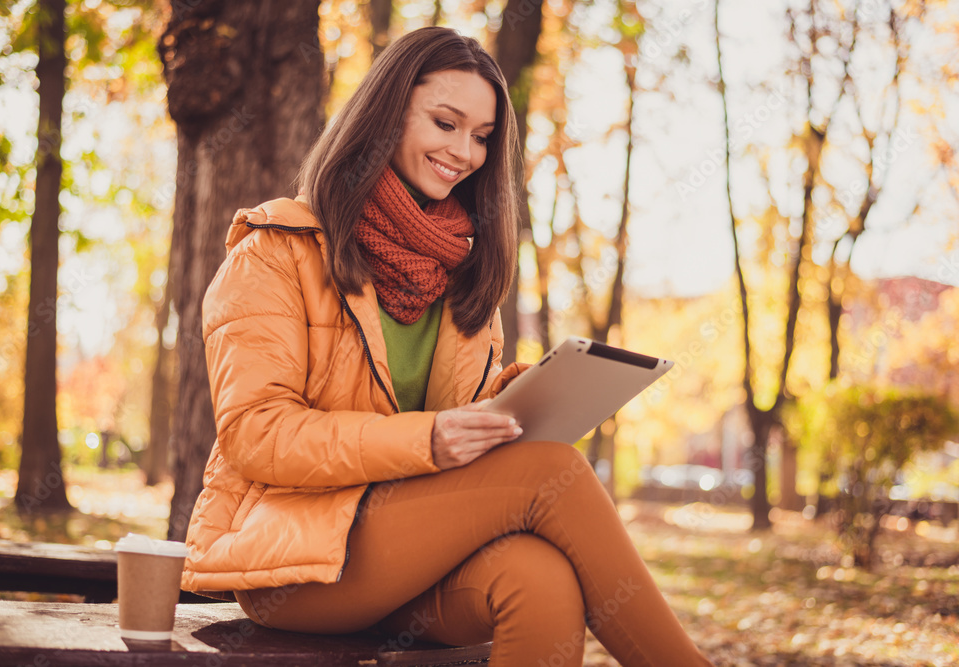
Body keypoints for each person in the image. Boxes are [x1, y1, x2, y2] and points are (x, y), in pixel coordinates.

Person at [181, 26, 714, 667]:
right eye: (445, 123)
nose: (464, 152)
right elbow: (257, 435)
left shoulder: (462, 276)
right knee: (555, 473)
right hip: (297, 559)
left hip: (415, 553)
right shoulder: (276, 252)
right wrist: (427, 439)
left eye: (482, 136)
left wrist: (514, 399)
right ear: (385, 114)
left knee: (539, 576)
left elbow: (457, 418)